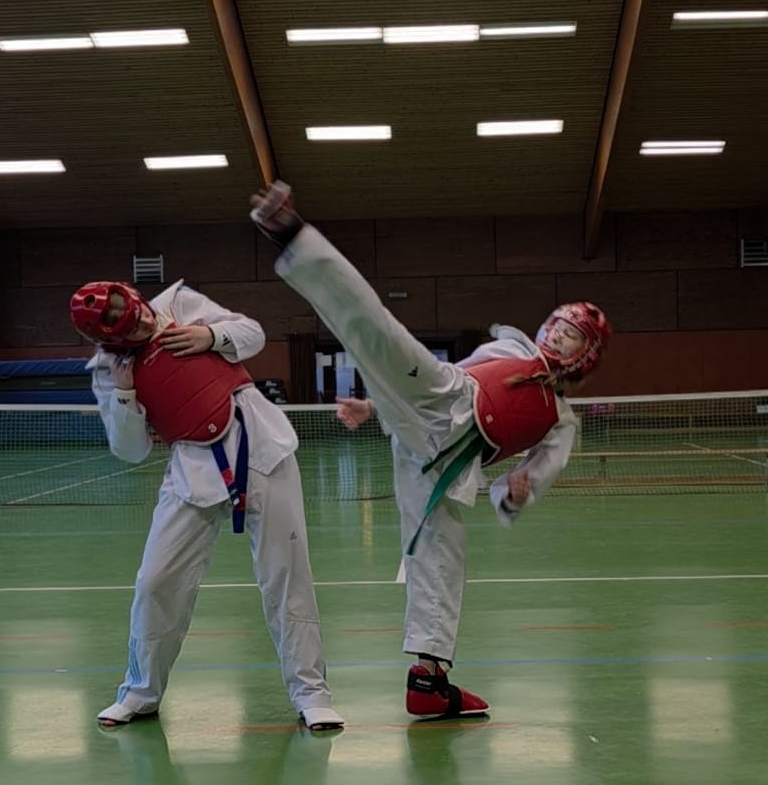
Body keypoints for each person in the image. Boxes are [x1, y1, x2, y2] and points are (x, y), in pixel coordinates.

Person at [249, 183, 611, 722]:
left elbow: (537, 474)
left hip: (443, 465)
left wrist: (516, 491)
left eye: (572, 337)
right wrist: (375, 405)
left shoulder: (562, 421)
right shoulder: (512, 347)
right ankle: (292, 234)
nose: (559, 338)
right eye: (558, 328)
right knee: (375, 329)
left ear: (588, 354)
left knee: (441, 562)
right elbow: (454, 374)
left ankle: (429, 679)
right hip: (445, 396)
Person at [69, 275, 342, 731]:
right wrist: (125, 392)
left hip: (262, 450)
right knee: (155, 581)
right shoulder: (106, 370)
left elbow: (252, 333)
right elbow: (129, 450)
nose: (141, 327)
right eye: (128, 330)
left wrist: (211, 335)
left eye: (137, 317)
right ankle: (140, 691)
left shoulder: (178, 303)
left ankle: (312, 694)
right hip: (190, 471)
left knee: (286, 576)